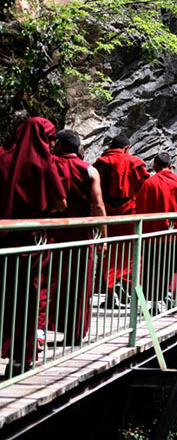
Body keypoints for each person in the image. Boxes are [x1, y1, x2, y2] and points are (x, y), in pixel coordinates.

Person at [0, 118, 67, 377]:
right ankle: (19, 360)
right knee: (27, 300)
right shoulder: (43, 163)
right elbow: (61, 203)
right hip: (29, 241)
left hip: (3, 236)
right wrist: (43, 210)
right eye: (50, 139)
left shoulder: (2, 157)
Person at [38, 130, 106, 348]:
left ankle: (38, 331)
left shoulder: (48, 166)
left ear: (58, 146)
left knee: (46, 284)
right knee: (78, 285)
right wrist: (104, 237)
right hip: (80, 234)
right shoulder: (89, 171)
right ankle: (74, 333)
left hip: (50, 234)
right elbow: (98, 206)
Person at [135, 153, 177, 302]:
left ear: (155, 166)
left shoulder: (149, 183)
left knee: (154, 270)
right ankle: (175, 296)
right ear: (171, 166)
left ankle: (153, 302)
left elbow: (139, 209)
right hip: (174, 234)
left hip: (153, 236)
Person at [93, 134, 150, 298]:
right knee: (129, 252)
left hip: (106, 215)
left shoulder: (100, 163)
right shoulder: (134, 163)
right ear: (126, 148)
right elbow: (145, 185)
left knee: (108, 251)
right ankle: (125, 285)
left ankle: (110, 289)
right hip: (128, 214)